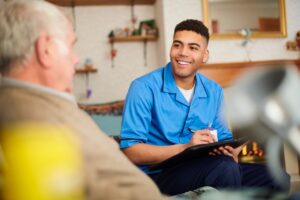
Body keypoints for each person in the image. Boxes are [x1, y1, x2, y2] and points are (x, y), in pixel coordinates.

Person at [0, 1, 165, 199]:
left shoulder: (36, 102)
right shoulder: (33, 118)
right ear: (46, 50)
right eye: (71, 46)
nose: (76, 59)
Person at [120, 19, 290, 195]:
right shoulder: (142, 88)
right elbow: (131, 151)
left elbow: (223, 136)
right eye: (177, 45)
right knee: (225, 169)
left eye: (193, 47)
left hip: (205, 166)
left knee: (277, 176)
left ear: (205, 55)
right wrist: (184, 147)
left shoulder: (214, 90)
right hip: (158, 175)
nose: (183, 53)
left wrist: (231, 149)